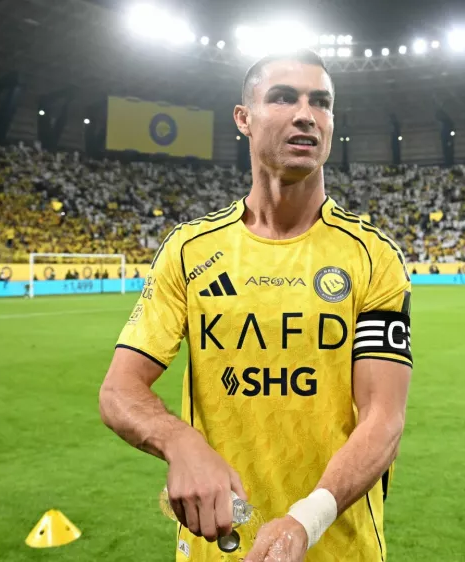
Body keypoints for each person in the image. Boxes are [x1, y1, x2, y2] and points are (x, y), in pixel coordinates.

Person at [98, 49, 412, 562]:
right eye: (284, 98)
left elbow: (384, 418)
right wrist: (179, 442)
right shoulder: (190, 250)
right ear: (243, 118)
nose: (306, 114)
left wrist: (303, 522)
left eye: (321, 103)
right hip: (216, 549)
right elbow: (118, 390)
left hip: (337, 546)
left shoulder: (372, 257)